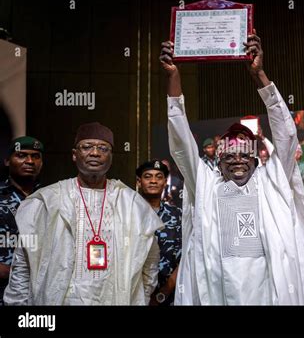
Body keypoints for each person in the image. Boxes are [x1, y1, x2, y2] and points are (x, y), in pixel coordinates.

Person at [160, 32, 304, 305]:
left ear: (256, 158)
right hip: (218, 293)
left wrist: (260, 75)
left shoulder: (270, 180)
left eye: (244, 154)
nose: (237, 159)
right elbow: (181, 139)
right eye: (229, 155)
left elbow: (286, 134)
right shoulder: (207, 184)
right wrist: (173, 76)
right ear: (217, 161)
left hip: (269, 292)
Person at [4, 122, 163, 305]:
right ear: (74, 155)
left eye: (103, 148)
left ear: (111, 156)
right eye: (87, 147)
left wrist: (138, 299)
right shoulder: (48, 200)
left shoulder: (132, 203)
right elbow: (23, 264)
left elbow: (150, 261)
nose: (95, 153)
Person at [0, 136, 43, 305]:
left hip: (38, 292)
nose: (30, 161)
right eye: (22, 155)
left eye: (35, 156)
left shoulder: (50, 197)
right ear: (7, 161)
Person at [136, 159, 182, 306]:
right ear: (139, 182)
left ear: (165, 182)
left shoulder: (176, 215)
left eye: (159, 177)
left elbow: (185, 260)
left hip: (168, 296)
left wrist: (163, 294)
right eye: (148, 176)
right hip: (133, 293)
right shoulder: (128, 214)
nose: (153, 181)